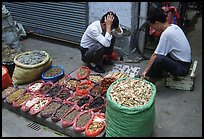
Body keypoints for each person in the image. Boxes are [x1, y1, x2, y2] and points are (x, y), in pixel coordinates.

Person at [140, 11, 192, 83]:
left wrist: (145, 71)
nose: (153, 28)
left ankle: (149, 78)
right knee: (160, 52)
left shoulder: (166, 34)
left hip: (182, 68)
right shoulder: (174, 27)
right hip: (186, 62)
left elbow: (155, 55)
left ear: (157, 23)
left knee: (159, 59)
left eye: (152, 26)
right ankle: (160, 73)